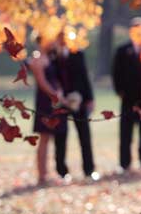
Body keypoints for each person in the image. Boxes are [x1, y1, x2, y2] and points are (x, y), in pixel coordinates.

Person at [52, 30, 98, 181]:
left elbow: (85, 76)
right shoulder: (53, 55)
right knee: (61, 136)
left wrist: (89, 99)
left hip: (79, 101)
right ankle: (62, 171)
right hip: (61, 102)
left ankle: (89, 169)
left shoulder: (77, 53)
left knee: (84, 135)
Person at [112, 17, 141, 172]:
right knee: (126, 132)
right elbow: (116, 73)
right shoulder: (122, 50)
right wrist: (120, 92)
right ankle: (125, 164)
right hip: (128, 98)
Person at [28, 36, 67, 185]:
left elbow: (55, 79)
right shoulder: (37, 59)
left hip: (53, 101)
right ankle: (42, 174)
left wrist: (60, 92)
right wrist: (55, 96)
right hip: (45, 102)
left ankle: (47, 172)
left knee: (50, 137)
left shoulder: (50, 58)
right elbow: (42, 82)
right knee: (44, 138)